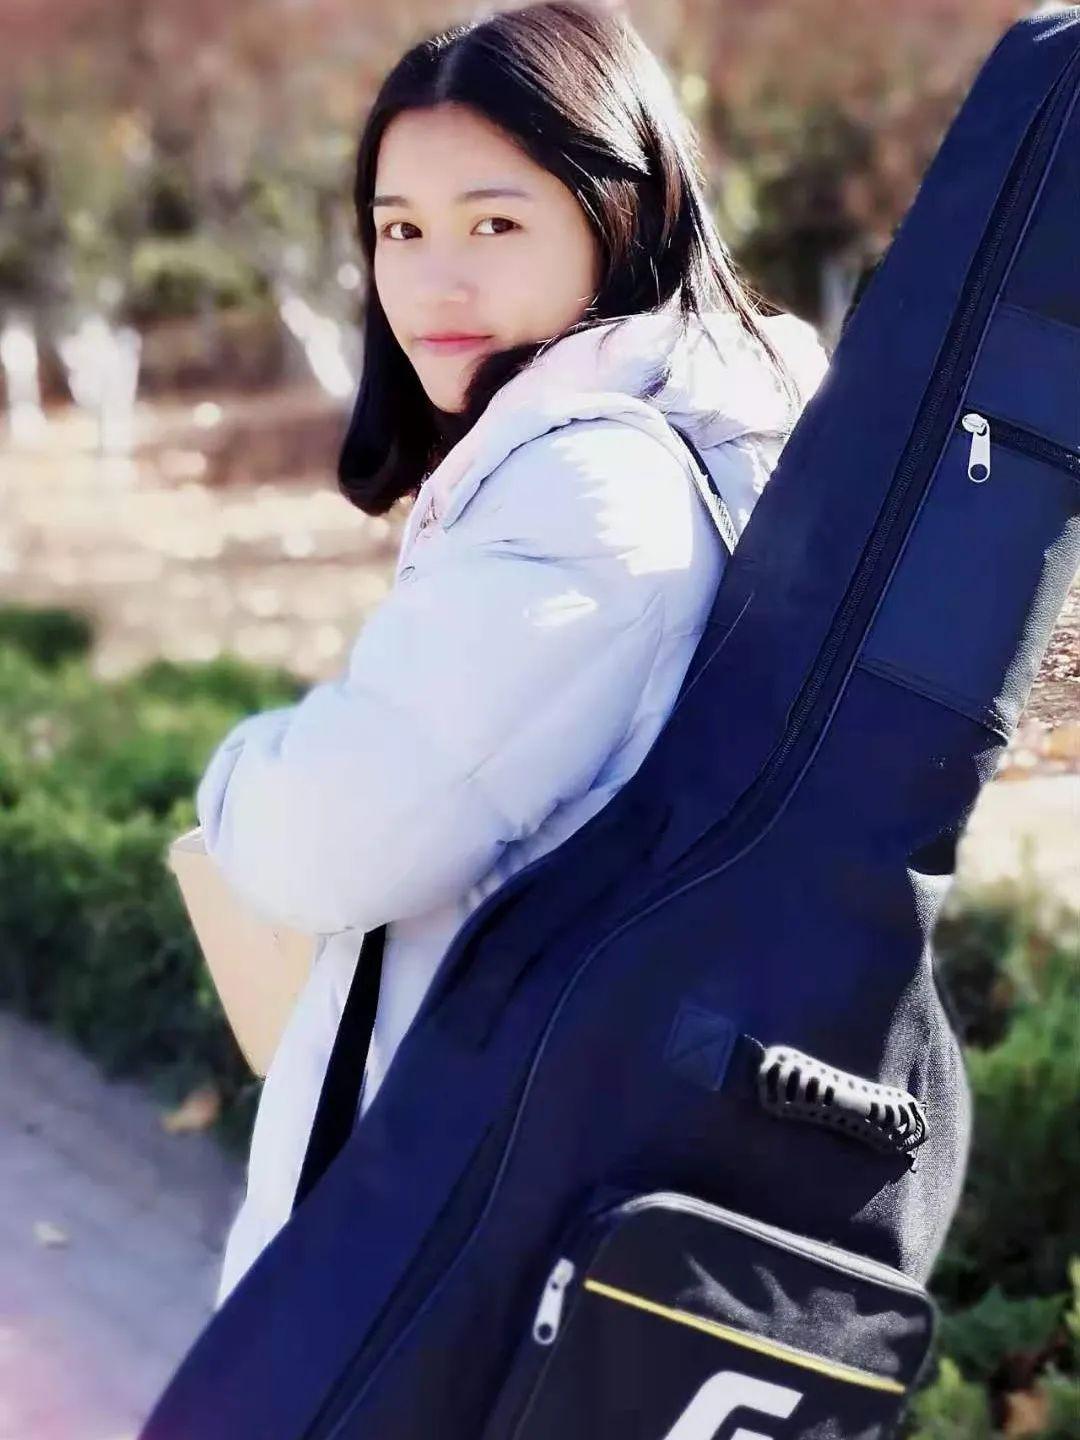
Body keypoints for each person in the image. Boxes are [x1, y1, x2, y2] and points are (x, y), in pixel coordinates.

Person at [195, 0, 829, 1310]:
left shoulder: (593, 491)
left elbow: (328, 841)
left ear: (622, 216)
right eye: (400, 230)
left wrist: (237, 777)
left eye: (494, 224)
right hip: (524, 1201)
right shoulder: (672, 450)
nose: (436, 280)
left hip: (455, 1236)